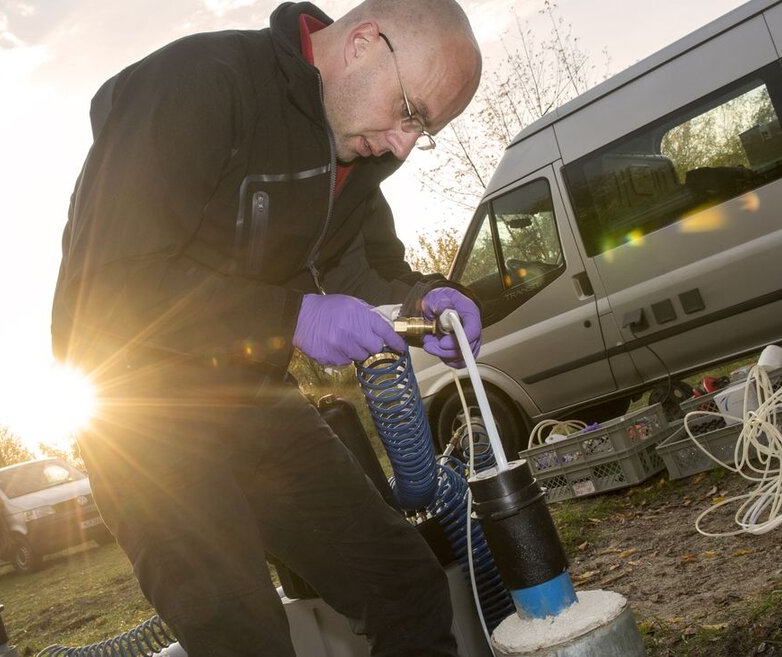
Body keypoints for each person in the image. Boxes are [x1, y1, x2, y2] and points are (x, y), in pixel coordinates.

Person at [50, 1, 483, 654]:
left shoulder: (357, 157)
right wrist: (292, 318)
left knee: (406, 583)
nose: (404, 144)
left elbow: (366, 271)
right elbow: (106, 290)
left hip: (251, 398)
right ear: (365, 42)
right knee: (242, 632)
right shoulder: (204, 83)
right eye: (410, 112)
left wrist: (431, 302)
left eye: (425, 131)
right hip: (139, 411)